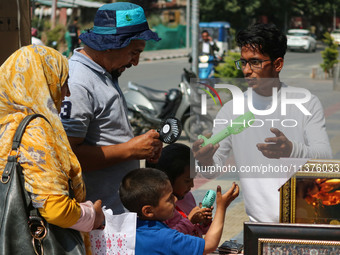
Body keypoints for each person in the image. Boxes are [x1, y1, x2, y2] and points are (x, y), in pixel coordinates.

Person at [193, 23, 332, 222]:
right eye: (243, 62)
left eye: (255, 62)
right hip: (260, 227)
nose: (247, 71)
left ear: (278, 64)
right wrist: (204, 160)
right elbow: (212, 171)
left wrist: (292, 150)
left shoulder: (306, 103)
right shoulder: (231, 110)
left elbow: (326, 159)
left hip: (307, 222)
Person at [0, 45, 105, 253]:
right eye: (62, 82)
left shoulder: (5, 124)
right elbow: (55, 208)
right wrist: (92, 216)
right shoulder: (35, 131)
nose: (67, 93)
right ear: (43, 82)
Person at [61, 2, 163, 214]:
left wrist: (141, 147)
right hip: (98, 216)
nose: (135, 62)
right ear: (110, 45)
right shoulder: (79, 82)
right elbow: (67, 157)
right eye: (133, 52)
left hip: (116, 211)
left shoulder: (104, 71)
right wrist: (130, 150)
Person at [119, 168, 239, 255]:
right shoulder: (165, 238)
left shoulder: (126, 230)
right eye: (169, 198)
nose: (175, 199)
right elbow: (209, 245)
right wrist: (222, 207)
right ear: (148, 211)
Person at [147, 143, 212, 237]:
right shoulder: (161, 207)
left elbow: (198, 230)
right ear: (169, 179)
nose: (192, 185)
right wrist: (189, 221)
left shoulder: (187, 196)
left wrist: (204, 221)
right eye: (187, 181)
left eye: (193, 179)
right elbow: (167, 240)